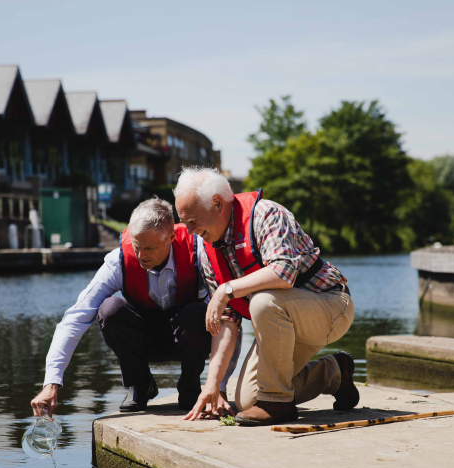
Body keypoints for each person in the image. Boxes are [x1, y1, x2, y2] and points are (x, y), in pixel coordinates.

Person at [175, 167, 357, 426]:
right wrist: (213, 386)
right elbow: (226, 320)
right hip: (282, 322)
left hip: (331, 306)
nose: (190, 230)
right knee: (248, 401)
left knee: (263, 300)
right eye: (185, 222)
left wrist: (226, 290)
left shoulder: (266, 214)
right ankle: (334, 373)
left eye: (192, 221)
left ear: (217, 203)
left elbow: (282, 273)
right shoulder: (206, 248)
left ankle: (278, 404)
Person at [30, 197, 239, 419]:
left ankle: (190, 387)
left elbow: (231, 315)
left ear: (171, 237)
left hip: (188, 337)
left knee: (199, 313)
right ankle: (140, 384)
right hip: (142, 340)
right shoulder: (118, 260)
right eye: (137, 246)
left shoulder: (199, 250)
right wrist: (51, 382)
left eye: (149, 247)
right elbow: (75, 318)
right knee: (110, 310)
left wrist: (220, 386)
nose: (141, 255)